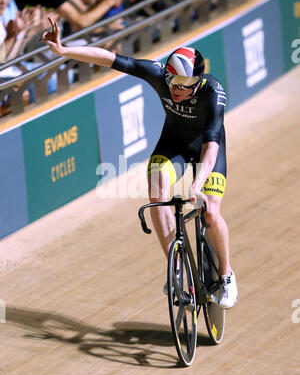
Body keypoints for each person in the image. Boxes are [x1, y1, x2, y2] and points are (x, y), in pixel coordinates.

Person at [41, 17, 238, 309]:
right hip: (174, 145)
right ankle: (175, 268)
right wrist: (64, 51)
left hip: (208, 150)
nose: (176, 89)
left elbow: (211, 144)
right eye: (172, 82)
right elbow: (110, 59)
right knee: (157, 193)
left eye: (184, 84)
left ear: (197, 82)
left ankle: (226, 275)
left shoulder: (213, 92)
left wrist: (196, 185)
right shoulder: (157, 74)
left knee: (210, 212)